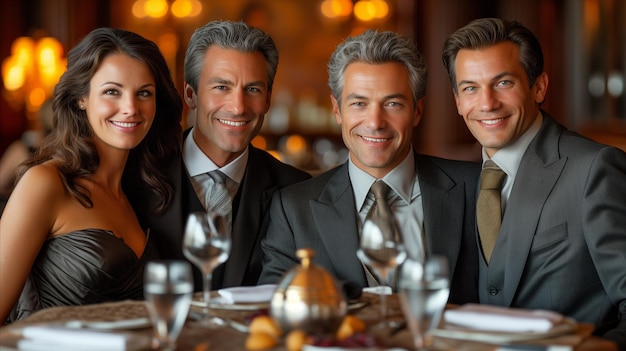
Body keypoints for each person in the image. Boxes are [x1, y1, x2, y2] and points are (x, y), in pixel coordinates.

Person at [259, 29, 480, 305]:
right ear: (337, 110)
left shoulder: (475, 188)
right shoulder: (293, 208)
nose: (375, 122)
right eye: (359, 103)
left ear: (418, 110)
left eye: (392, 103)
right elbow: (273, 307)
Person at [442, 18, 626, 348]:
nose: (486, 103)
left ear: (538, 87)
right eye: (470, 87)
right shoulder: (459, 182)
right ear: (457, 101)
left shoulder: (595, 169)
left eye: (503, 83)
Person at [0, 27, 183, 323]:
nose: (130, 108)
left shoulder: (140, 191)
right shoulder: (46, 183)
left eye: (144, 93)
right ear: (80, 99)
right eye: (112, 91)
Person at [129, 20, 311, 291]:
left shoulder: (297, 190)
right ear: (190, 95)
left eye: (252, 89)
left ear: (268, 99)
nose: (238, 107)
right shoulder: (134, 174)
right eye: (221, 87)